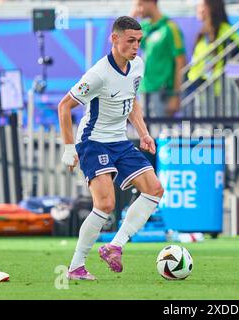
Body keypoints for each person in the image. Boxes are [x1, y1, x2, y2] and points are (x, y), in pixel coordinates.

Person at [58, 16, 164, 281]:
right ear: (114, 39)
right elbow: (64, 106)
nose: (135, 46)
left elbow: (132, 99)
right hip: (93, 141)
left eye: (139, 41)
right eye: (130, 40)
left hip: (120, 140)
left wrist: (143, 133)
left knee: (154, 190)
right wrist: (70, 149)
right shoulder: (98, 74)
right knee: (105, 204)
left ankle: (115, 246)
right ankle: (75, 267)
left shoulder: (137, 65)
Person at [130, 0, 186, 117]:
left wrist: (175, 95)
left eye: (139, 4)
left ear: (151, 2)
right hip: (144, 91)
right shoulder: (145, 27)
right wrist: (130, 18)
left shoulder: (170, 28)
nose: (137, 9)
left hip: (163, 93)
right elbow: (118, 41)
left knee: (158, 133)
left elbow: (180, 62)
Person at [187, 0, 239, 95]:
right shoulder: (203, 34)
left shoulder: (226, 33)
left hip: (221, 95)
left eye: (202, 5)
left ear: (212, 7)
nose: (198, 9)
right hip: (201, 92)